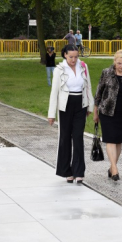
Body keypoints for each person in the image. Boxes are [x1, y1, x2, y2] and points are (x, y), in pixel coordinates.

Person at [48, 44, 94, 183]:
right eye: (71, 57)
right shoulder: (59, 69)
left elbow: (88, 86)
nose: (74, 59)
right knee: (65, 137)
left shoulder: (83, 67)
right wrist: (51, 114)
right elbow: (54, 92)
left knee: (78, 137)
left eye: (76, 56)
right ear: (65, 55)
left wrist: (90, 105)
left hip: (80, 103)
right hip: (65, 105)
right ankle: (66, 171)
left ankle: (79, 171)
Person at [93, 50, 122, 181]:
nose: (121, 66)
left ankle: (112, 167)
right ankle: (114, 168)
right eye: (119, 63)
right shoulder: (106, 73)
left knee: (119, 140)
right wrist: (95, 111)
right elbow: (98, 93)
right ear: (114, 62)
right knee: (110, 140)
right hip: (107, 111)